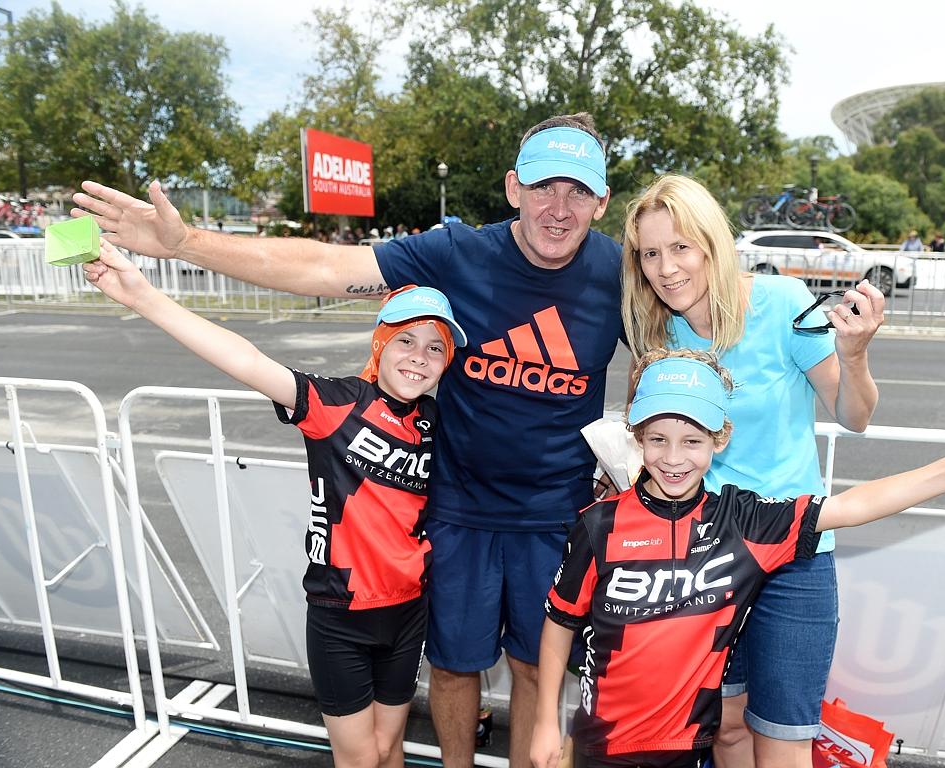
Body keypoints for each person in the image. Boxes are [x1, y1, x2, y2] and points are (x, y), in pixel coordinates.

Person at [71, 112, 621, 768]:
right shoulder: (460, 252)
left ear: (601, 201)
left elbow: (685, 340)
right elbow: (323, 268)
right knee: (450, 671)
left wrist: (631, 463)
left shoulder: (620, 274)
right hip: (458, 512)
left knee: (537, 672)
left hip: (554, 518)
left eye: (577, 192)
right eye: (542, 189)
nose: (557, 209)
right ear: (511, 188)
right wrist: (185, 242)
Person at [82, 238, 466, 768]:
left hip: (408, 612)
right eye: (407, 340)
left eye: (435, 348)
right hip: (341, 617)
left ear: (448, 362)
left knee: (389, 747)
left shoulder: (437, 422)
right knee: (359, 758)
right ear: (381, 344)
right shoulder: (337, 404)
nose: (419, 357)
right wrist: (145, 296)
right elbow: (247, 359)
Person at [530, 349, 945, 768]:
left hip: (688, 746)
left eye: (692, 441)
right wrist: (544, 722)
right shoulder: (600, 524)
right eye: (658, 439)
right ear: (637, 436)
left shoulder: (743, 522)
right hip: (602, 746)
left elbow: (849, 506)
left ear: (721, 439)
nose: (673, 457)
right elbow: (559, 623)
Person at [619, 175, 884, 768]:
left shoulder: (784, 303)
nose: (666, 268)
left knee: (784, 738)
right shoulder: (655, 330)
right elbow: (657, 444)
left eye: (680, 247)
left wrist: (855, 354)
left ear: (712, 242)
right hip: (704, 557)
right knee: (726, 728)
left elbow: (856, 415)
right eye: (651, 253)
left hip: (795, 555)